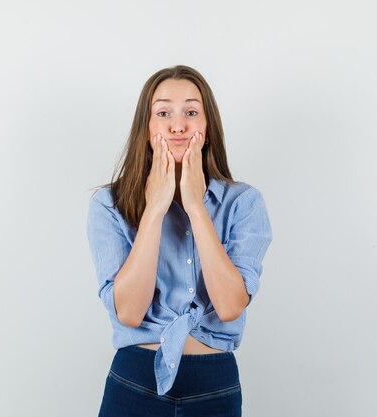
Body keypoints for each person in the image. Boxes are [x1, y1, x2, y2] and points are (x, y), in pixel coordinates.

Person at [86, 65, 273, 416]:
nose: (177, 125)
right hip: (134, 382)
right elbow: (128, 311)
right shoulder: (107, 205)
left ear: (208, 128)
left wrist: (195, 207)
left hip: (214, 387)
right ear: (146, 129)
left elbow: (230, 304)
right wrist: (155, 209)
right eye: (163, 113)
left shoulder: (244, 203)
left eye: (191, 112)